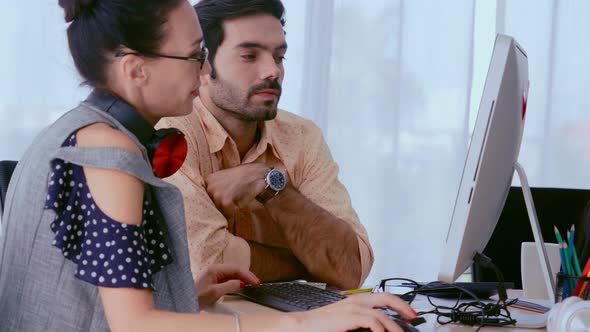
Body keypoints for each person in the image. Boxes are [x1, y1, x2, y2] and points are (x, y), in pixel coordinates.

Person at [0, 0, 417, 331]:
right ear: (136, 69)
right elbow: (133, 324)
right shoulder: (109, 151)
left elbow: (103, 297)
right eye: (193, 56)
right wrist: (304, 322)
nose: (202, 73)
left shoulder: (80, 131)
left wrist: (184, 294)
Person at [158, 0, 373, 290]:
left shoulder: (302, 137)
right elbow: (205, 261)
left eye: (279, 57)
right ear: (202, 65)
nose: (273, 71)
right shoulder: (170, 133)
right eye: (249, 55)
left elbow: (351, 269)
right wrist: (310, 265)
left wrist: (274, 186)